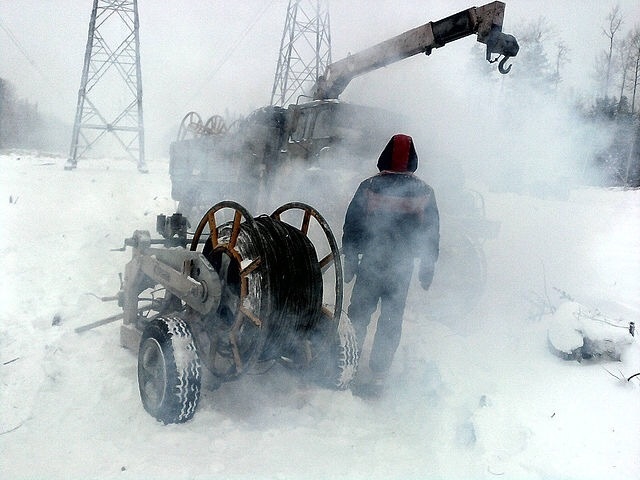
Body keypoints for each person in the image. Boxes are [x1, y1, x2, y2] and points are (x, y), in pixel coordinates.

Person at [342, 133, 440, 396]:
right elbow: (431, 232)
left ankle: (348, 366)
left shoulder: (369, 186)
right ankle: (379, 375)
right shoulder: (425, 192)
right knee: (390, 321)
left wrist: (350, 257)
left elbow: (352, 223)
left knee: (358, 316)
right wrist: (426, 267)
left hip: (371, 264)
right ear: (412, 161)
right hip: (401, 268)